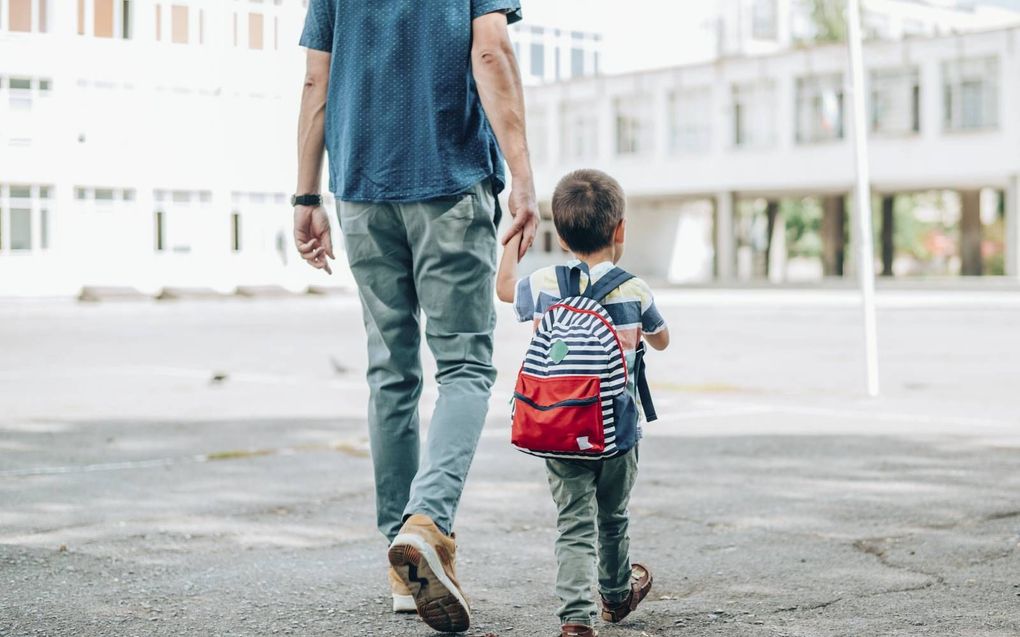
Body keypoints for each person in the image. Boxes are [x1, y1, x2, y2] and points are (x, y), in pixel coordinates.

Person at [292, 1, 539, 633]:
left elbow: (317, 80)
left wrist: (304, 193)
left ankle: (403, 568)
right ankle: (425, 524)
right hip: (447, 183)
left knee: (391, 373)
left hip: (359, 188)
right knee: (463, 367)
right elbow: (490, 51)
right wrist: (523, 177)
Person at [496, 169, 670, 637]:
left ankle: (576, 618)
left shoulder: (547, 283)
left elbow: (504, 289)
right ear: (620, 231)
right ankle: (615, 597)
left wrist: (514, 237)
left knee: (574, 523)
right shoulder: (633, 289)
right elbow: (662, 341)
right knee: (612, 516)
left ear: (563, 234)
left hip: (557, 423)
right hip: (617, 431)